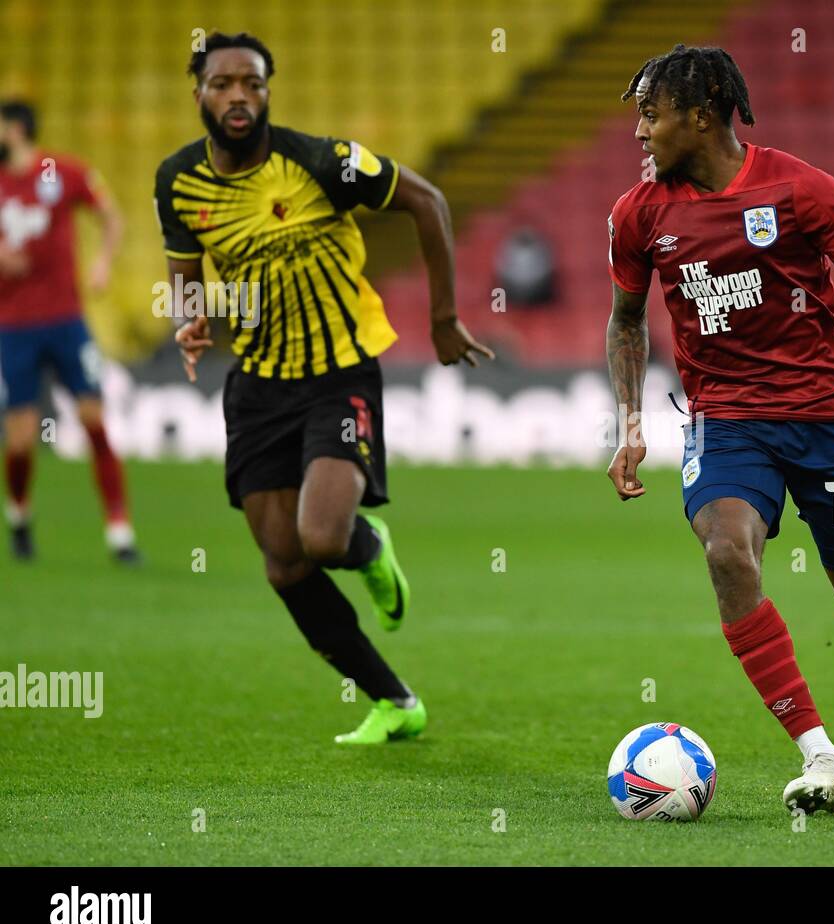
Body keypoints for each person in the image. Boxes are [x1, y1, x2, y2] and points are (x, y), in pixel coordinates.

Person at [604, 45, 834, 813]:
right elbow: (626, 322)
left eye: (649, 114)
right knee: (727, 550)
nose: (639, 132)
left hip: (826, 418)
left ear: (700, 113)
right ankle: (822, 758)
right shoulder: (638, 213)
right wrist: (629, 423)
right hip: (726, 418)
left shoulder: (802, 189)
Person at [156, 33, 494, 744]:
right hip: (256, 386)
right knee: (283, 563)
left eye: (252, 82)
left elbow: (428, 201)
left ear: (268, 91)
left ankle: (368, 549)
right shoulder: (177, 181)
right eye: (223, 84)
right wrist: (189, 322)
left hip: (338, 373)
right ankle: (394, 700)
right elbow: (186, 275)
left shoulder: (322, 162)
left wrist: (443, 319)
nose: (238, 96)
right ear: (200, 96)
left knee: (321, 535)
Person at [0, 100, 136, 562]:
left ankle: (120, 533)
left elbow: (112, 217)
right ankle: (18, 514)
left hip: (66, 322)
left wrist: (101, 263)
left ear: (15, 130)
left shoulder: (63, 172)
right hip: (13, 327)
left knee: (95, 422)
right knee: (19, 440)